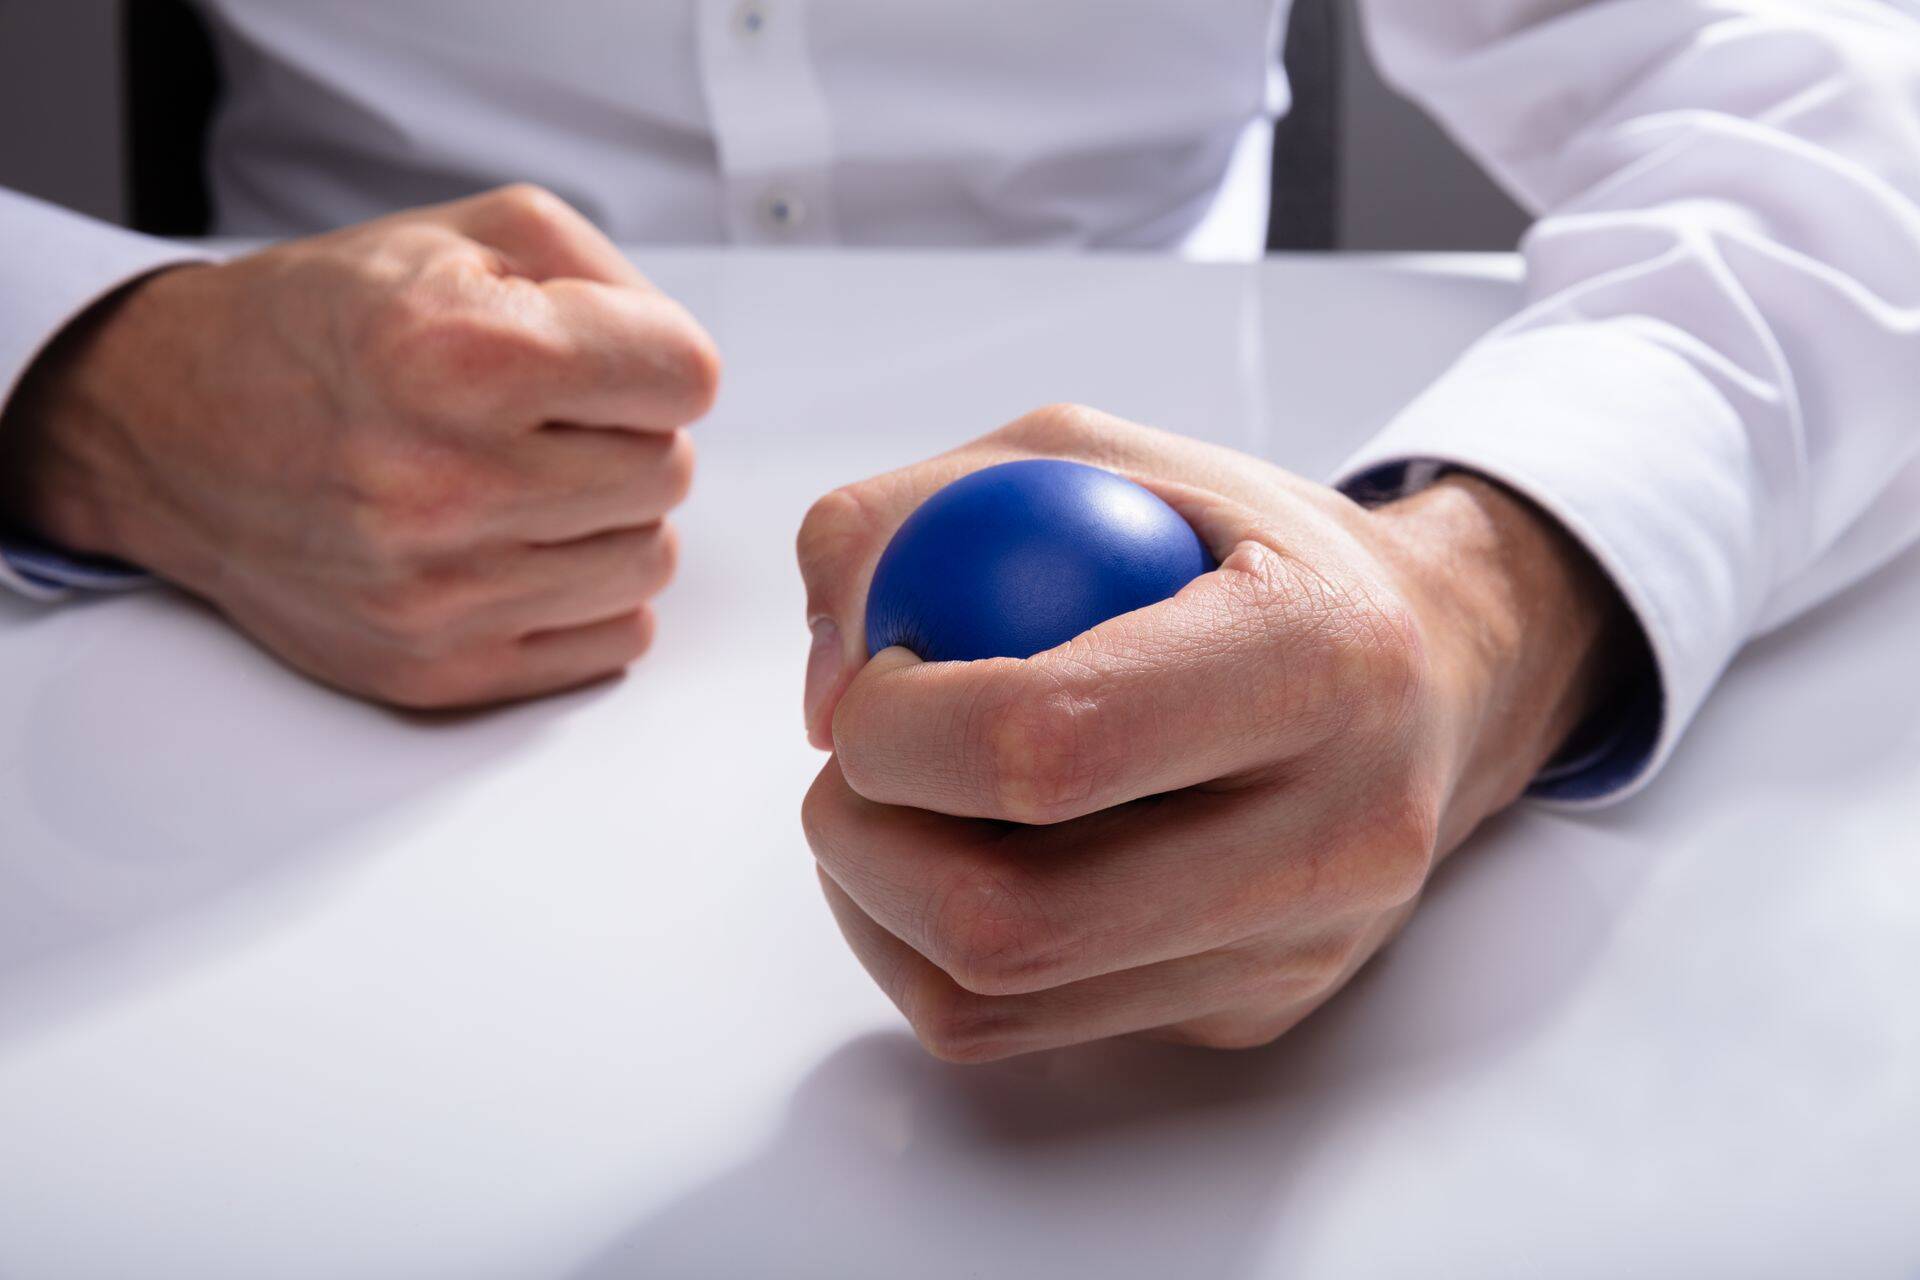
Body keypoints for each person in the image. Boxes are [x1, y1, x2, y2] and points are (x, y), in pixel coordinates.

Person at [2, 1, 1917, 1058]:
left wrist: (1485, 603)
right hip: (236, 659)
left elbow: (1850, 89)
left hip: (1233, 552)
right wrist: (103, 384)